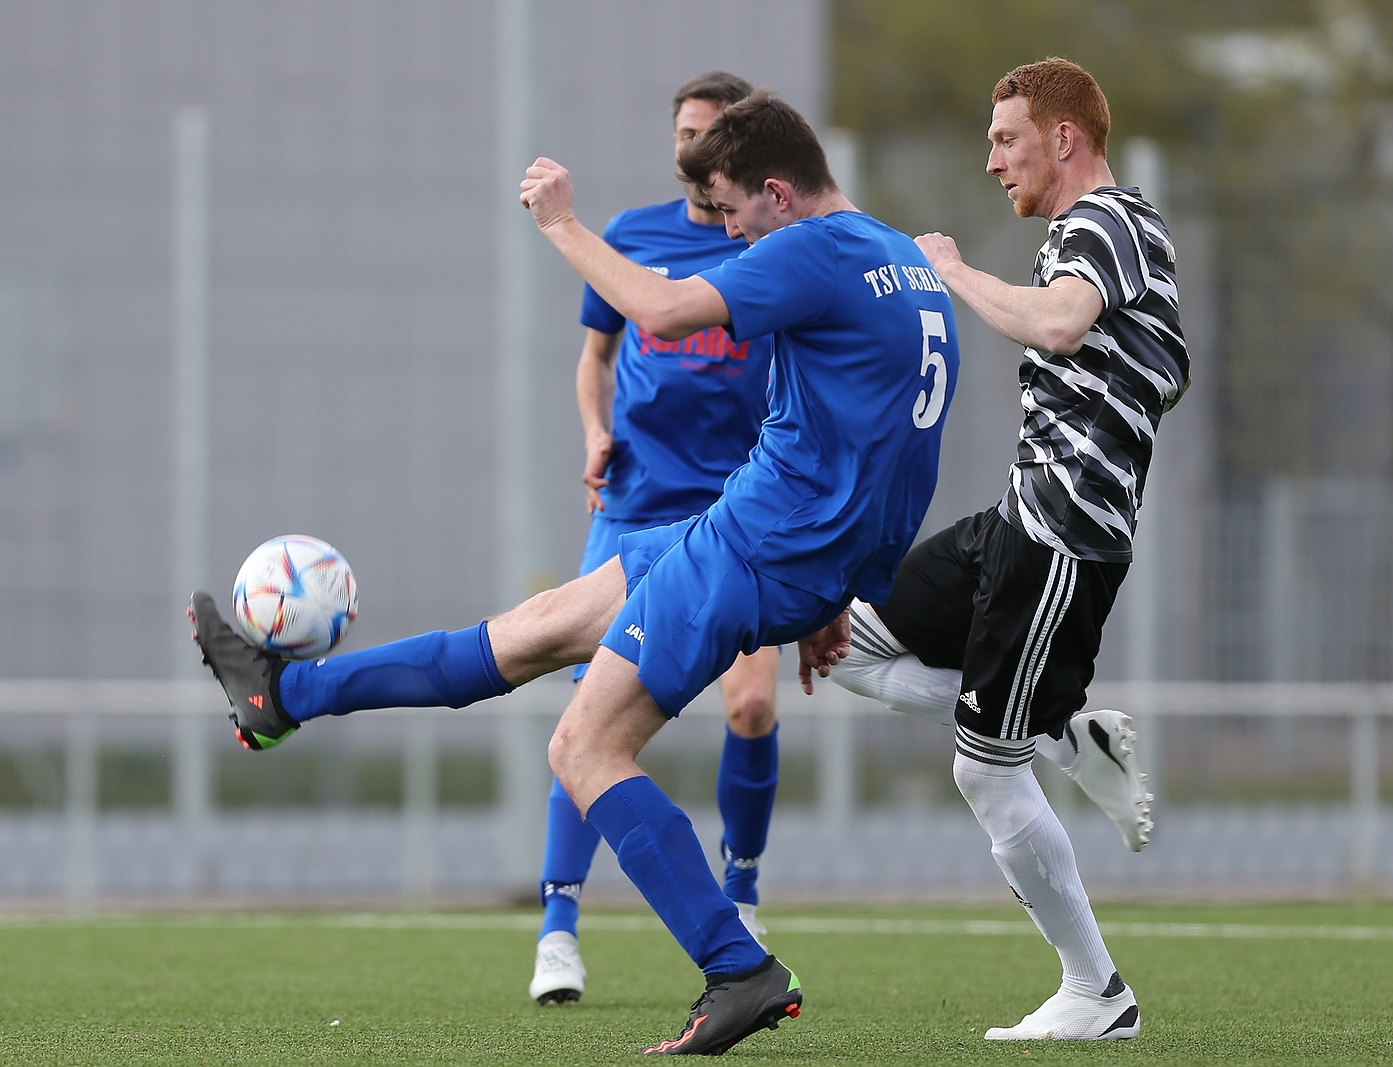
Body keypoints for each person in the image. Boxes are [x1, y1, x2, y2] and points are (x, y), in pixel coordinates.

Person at [188, 90, 959, 1055]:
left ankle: (737, 967)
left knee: (582, 751)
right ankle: (283, 696)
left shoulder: (812, 247)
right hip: (765, 540)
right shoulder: (905, 262)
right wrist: (832, 583)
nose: (728, 234)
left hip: (751, 549)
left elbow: (664, 313)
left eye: (731, 213)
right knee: (539, 627)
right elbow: (893, 449)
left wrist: (559, 220)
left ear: (778, 192)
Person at [813, 57, 1185, 1042]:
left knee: (982, 769)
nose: (991, 161)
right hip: (1014, 522)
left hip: (1062, 539)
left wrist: (954, 273)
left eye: (1006, 139)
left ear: (1063, 138)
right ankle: (1062, 733)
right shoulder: (1084, 232)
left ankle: (1096, 991)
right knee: (841, 636)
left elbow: (1061, 323)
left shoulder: (1106, 222)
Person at [531, 71, 784, 1008]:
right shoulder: (632, 235)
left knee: (751, 707)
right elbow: (594, 361)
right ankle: (559, 926)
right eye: (684, 131)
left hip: (733, 512)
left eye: (711, 133)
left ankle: (743, 892)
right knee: (584, 716)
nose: (695, 147)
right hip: (634, 504)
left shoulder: (763, 240)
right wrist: (595, 431)